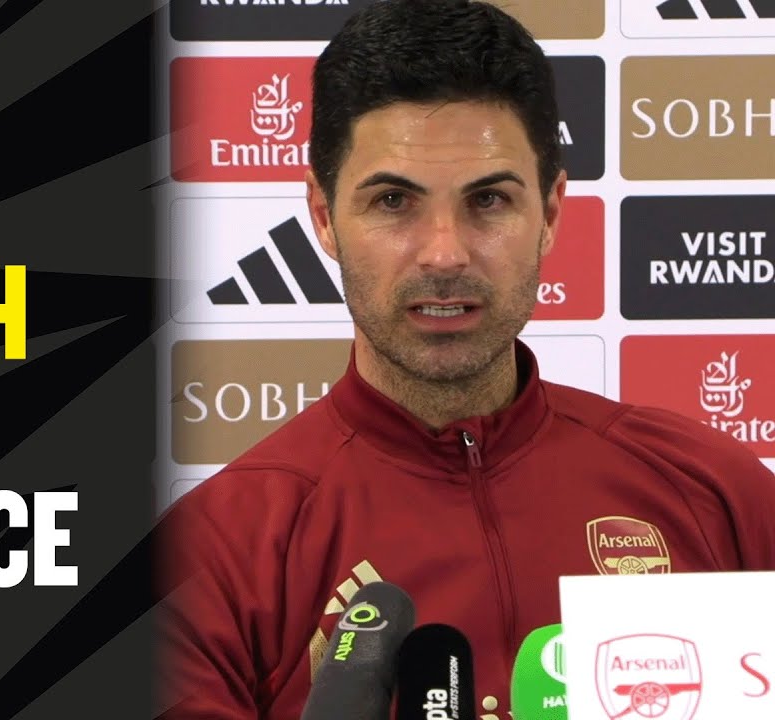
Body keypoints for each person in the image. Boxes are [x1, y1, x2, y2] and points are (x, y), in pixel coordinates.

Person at [152, 1, 775, 718]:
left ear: (550, 213)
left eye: (489, 200)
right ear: (323, 215)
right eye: (394, 201)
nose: (444, 253)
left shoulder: (717, 493)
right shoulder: (213, 552)